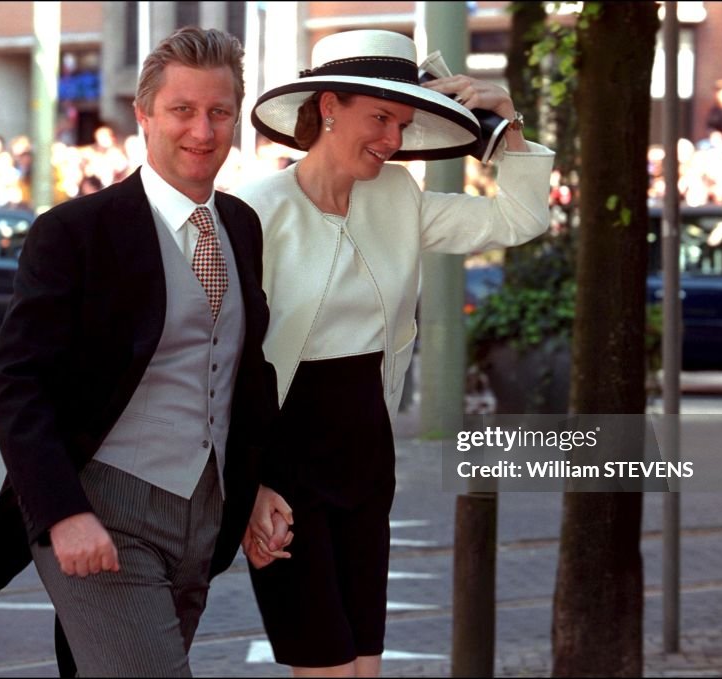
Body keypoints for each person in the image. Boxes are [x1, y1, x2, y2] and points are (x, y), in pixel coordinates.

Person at [0, 27, 286, 677]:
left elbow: (246, 370)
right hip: (101, 504)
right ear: (144, 115)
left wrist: (260, 481)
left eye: (220, 113)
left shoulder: (241, 226)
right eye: (182, 110)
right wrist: (63, 510)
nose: (203, 131)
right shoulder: (76, 232)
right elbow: (17, 382)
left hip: (203, 518)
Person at [233, 29, 555, 677]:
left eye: (402, 124)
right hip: (285, 459)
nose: (392, 140)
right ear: (328, 105)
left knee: (363, 666)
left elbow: (521, 219)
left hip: (366, 457)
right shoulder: (254, 209)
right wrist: (246, 484)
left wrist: (511, 124)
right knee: (322, 664)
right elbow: (224, 358)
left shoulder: (398, 197)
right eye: (379, 117)